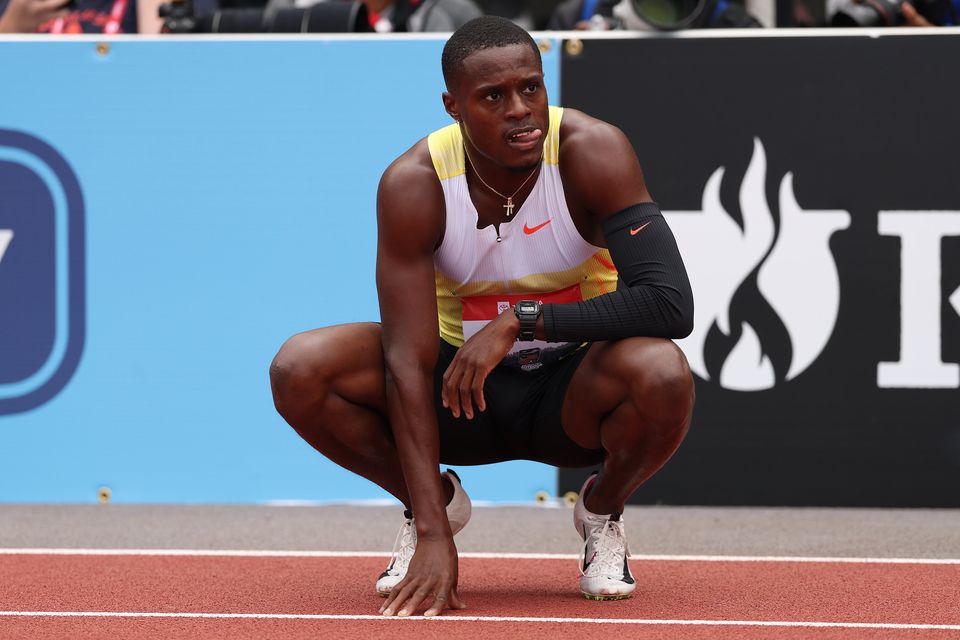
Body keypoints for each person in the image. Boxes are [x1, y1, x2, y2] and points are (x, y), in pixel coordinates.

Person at [270, 15, 695, 617]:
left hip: (570, 394)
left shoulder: (590, 152)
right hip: (459, 392)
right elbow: (406, 363)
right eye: (493, 97)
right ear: (453, 106)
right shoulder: (414, 183)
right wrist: (435, 533)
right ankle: (432, 506)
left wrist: (523, 320)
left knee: (664, 371)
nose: (520, 109)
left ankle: (602, 510)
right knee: (301, 367)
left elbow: (670, 302)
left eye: (531, 87)